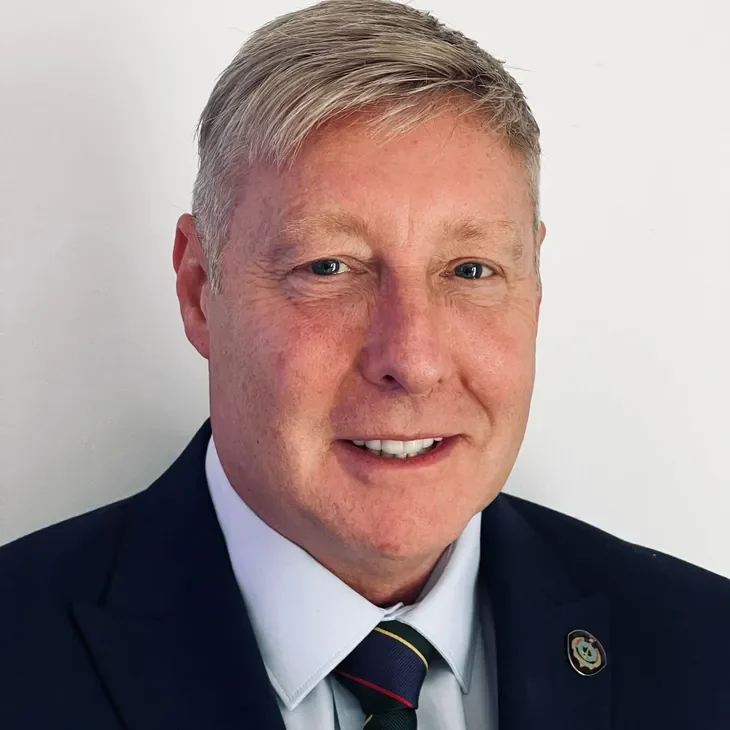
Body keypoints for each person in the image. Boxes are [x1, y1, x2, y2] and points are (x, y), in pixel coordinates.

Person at [2, 0, 729, 728]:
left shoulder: (705, 650)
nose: (411, 359)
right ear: (199, 292)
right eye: (330, 267)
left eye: (470, 271)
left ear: (534, 290)